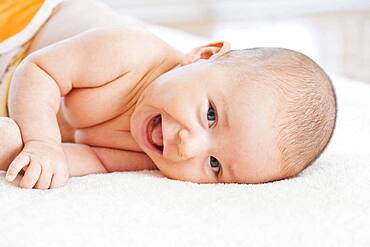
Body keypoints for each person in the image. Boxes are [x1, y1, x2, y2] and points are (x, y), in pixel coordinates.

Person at [0, 0, 337, 189]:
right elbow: (38, 71)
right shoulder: (128, 53)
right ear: (203, 56)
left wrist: (37, 158)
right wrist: (43, 141)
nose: (188, 146)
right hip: (25, 26)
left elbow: (93, 158)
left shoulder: (155, 156)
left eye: (215, 165)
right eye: (210, 115)